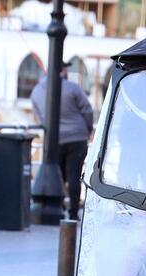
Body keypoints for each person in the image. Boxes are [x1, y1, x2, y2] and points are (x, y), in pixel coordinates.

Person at [30, 64, 93, 221]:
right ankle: (73, 213)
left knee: (58, 175)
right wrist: (88, 129)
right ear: (62, 70)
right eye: (65, 68)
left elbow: (39, 118)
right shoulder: (73, 88)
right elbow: (87, 109)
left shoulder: (36, 91)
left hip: (54, 140)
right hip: (77, 137)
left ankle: (58, 208)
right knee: (74, 176)